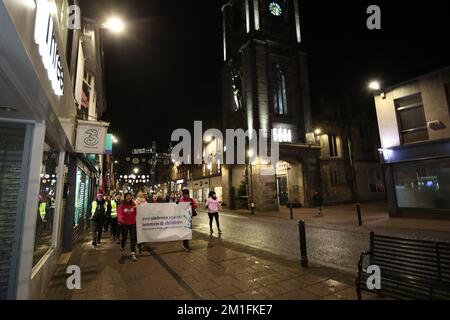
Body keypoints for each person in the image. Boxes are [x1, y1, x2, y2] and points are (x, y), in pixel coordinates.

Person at [118, 192, 138, 262]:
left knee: (133, 238)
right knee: (124, 237)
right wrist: (120, 220)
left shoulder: (134, 204)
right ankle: (122, 248)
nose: (129, 197)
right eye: (127, 196)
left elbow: (136, 212)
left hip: (132, 223)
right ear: (125, 197)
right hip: (125, 224)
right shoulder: (122, 205)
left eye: (130, 196)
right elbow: (120, 213)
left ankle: (133, 253)